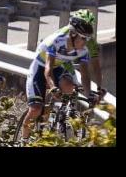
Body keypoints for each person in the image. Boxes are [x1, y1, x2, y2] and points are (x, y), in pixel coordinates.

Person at [19, 14, 97, 144]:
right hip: (40, 68)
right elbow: (48, 70)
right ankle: (23, 140)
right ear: (72, 34)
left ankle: (56, 114)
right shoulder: (56, 41)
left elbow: (85, 75)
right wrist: (53, 87)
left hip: (59, 66)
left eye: (87, 39)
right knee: (36, 109)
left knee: (70, 86)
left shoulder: (83, 50)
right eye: (83, 38)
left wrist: (89, 94)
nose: (85, 42)